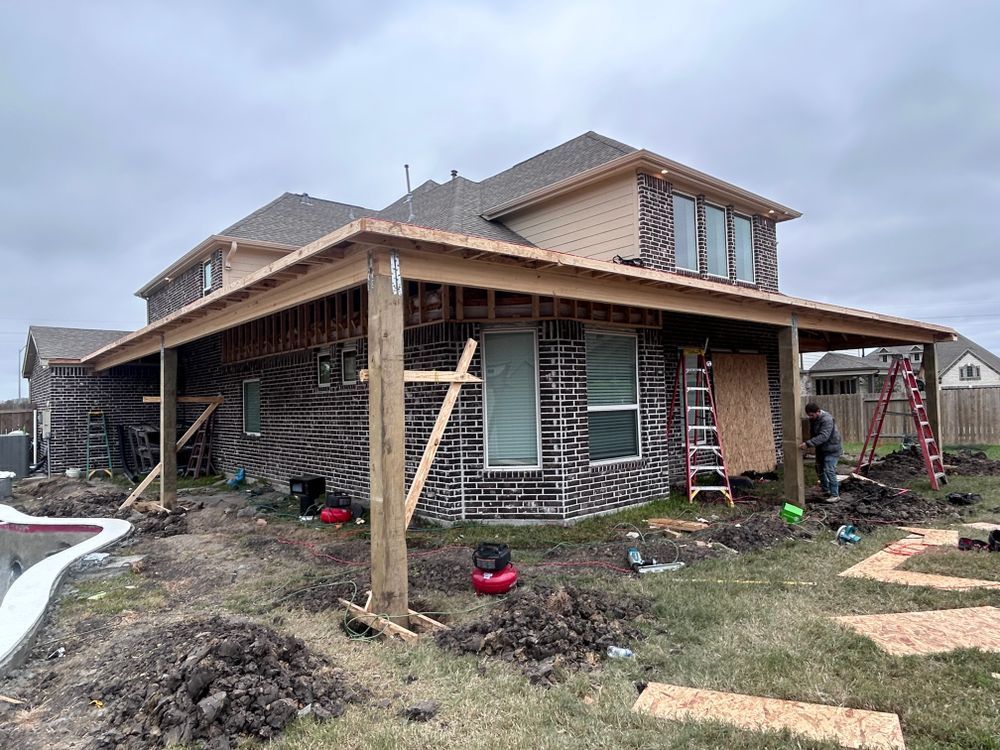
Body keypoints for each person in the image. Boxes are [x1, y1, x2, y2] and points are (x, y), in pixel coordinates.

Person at [800, 402, 843, 499]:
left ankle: (835, 495)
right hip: (822, 448)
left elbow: (824, 436)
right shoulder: (813, 419)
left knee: (829, 470)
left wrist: (808, 444)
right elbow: (813, 433)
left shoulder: (827, 419)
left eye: (812, 415)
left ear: (818, 412)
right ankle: (826, 490)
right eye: (809, 415)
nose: (810, 417)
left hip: (832, 448)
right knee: (819, 469)